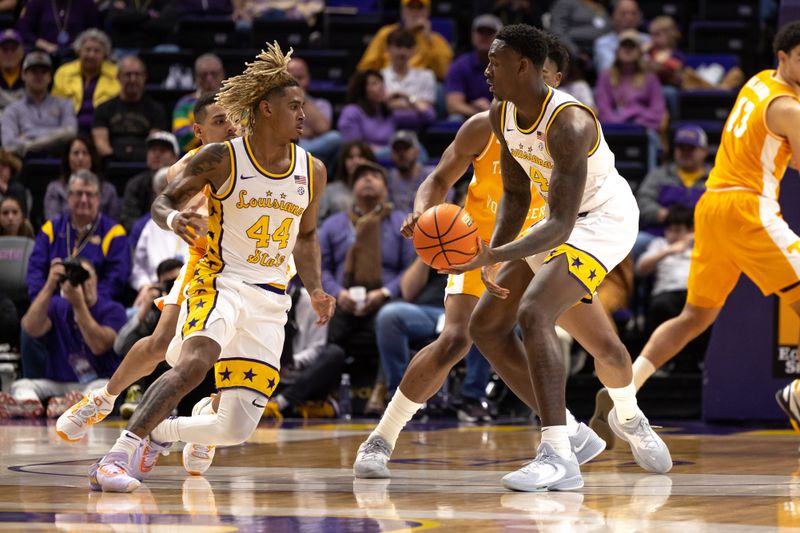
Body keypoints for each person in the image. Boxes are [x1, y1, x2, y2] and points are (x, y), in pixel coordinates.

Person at [353, 35, 614, 479]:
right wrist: (422, 214)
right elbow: (437, 179)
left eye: (551, 76)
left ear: (545, 77)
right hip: (477, 245)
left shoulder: (566, 127)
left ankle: (601, 422)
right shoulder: (484, 125)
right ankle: (381, 438)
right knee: (456, 338)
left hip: (543, 247)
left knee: (599, 343)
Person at [87, 43, 336, 493]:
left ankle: (164, 432)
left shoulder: (313, 170)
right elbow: (162, 200)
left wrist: (316, 288)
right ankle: (116, 456)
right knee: (196, 361)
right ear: (265, 109)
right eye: (294, 106)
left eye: (303, 106)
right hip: (219, 279)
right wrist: (173, 218)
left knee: (235, 428)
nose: (304, 114)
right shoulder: (222, 158)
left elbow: (307, 235)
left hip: (271, 299)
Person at [449, 24, 670, 491]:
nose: (485, 69)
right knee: (487, 327)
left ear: (523, 66)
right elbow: (514, 192)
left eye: (495, 61)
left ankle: (558, 456)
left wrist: (496, 251)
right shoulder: (501, 113)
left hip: (603, 220)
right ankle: (618, 419)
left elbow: (563, 226)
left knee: (534, 311)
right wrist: (493, 256)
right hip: (556, 220)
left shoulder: (571, 123)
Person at [585, 22, 800, 431]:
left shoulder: (759, 82)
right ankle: (798, 395)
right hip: (747, 208)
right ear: (784, 58)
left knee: (695, 316)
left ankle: (626, 391)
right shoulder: (789, 108)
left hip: (712, 204)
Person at [56, 92, 235, 442]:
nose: (230, 126)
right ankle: (103, 399)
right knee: (160, 343)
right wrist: (179, 217)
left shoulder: (255, 157)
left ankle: (206, 418)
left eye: (233, 118)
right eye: (219, 121)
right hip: (207, 262)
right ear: (199, 132)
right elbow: (175, 196)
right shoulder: (185, 167)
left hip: (252, 267)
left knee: (235, 352)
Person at [0, 258, 126, 418]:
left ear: (95, 279)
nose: (81, 283)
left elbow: (99, 345)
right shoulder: (57, 304)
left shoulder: (113, 309)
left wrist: (79, 305)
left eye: (85, 277)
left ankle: (78, 405)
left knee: (104, 388)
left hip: (95, 381)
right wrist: (50, 284)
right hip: (56, 382)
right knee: (22, 385)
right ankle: (28, 404)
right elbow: (30, 328)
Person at [28, 169, 130, 303]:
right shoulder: (50, 229)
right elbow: (35, 270)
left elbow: (116, 278)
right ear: (69, 197)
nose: (83, 199)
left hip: (96, 306)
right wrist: (43, 301)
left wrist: (89, 300)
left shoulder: (115, 232)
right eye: (78, 193)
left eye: (89, 194)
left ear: (98, 199)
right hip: (52, 304)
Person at [595, 29, 666, 171]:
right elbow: (603, 110)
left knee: (651, 137)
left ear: (639, 51)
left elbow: (658, 113)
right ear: (617, 50)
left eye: (631, 46)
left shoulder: (650, 78)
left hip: (642, 129)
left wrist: (633, 115)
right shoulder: (606, 76)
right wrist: (624, 119)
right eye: (624, 45)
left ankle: (648, 182)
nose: (627, 50)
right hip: (613, 129)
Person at [634, 124, 709, 256]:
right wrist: (664, 214)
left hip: (701, 236)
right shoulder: (659, 174)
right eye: (681, 148)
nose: (686, 152)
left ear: (704, 151)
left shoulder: (715, 178)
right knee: (637, 243)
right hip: (660, 235)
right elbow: (642, 201)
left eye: (691, 148)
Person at [92, 56, 168, 163]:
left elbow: (154, 144)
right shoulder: (103, 108)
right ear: (118, 77)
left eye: (137, 74)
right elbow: (100, 144)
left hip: (145, 164)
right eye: (128, 75)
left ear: (144, 77)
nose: (133, 79)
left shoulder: (156, 110)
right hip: (112, 165)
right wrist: (115, 160)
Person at [1, 51, 77, 157]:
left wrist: (30, 142)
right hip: (23, 166)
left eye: (43, 72)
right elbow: (8, 144)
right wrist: (55, 136)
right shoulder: (12, 109)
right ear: (23, 75)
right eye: (34, 71)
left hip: (58, 162)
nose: (39, 76)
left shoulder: (64, 104)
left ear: (50, 77)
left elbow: (70, 132)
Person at [357, 0, 452, 81]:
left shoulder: (436, 40)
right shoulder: (386, 33)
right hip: (388, 83)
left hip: (421, 87)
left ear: (427, 11)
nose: (415, 12)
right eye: (411, 7)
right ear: (402, 10)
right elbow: (365, 68)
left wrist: (429, 40)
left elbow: (444, 73)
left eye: (420, 8)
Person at [52, 29, 120, 132]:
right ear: (79, 51)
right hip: (68, 129)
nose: (91, 55)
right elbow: (55, 106)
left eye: (97, 51)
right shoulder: (63, 72)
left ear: (104, 54)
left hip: (105, 129)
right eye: (87, 50)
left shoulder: (116, 74)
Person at [44, 135, 119, 222]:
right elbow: (52, 223)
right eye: (76, 153)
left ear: (92, 157)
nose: (80, 157)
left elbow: (113, 225)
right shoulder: (55, 189)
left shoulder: (108, 190)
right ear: (67, 158)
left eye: (85, 153)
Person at [286, 57, 341, 171]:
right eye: (291, 78)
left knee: (335, 138)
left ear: (308, 79)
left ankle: (296, 157)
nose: (295, 82)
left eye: (300, 78)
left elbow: (323, 129)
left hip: (310, 150)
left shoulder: (321, 104)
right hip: (283, 147)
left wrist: (300, 98)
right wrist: (307, 132)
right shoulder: (275, 104)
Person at [445, 14, 502, 119]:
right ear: (472, 35)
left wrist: (491, 109)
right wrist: (477, 110)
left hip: (500, 116)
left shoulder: (508, 67)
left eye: (490, 32)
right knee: (455, 118)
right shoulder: (459, 65)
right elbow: (453, 106)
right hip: (470, 116)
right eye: (480, 31)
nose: (484, 36)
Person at [119, 131, 179, 232]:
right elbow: (129, 221)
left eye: (162, 150)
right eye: (153, 150)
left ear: (175, 157)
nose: (157, 154)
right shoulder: (135, 184)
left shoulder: (185, 183)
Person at [381, 28, 436, 131]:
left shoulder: (426, 76)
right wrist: (414, 104)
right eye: (398, 46)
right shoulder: (379, 76)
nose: (402, 52)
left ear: (414, 50)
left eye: (407, 47)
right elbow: (378, 110)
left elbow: (426, 111)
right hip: (385, 131)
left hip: (418, 131)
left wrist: (405, 98)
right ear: (388, 49)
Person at [337, 70, 398, 157]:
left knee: (417, 148)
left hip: (390, 159)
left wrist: (405, 98)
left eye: (381, 83)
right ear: (362, 89)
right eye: (374, 84)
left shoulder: (387, 112)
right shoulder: (351, 111)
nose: (381, 87)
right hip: (363, 159)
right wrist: (385, 150)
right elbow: (354, 147)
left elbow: (421, 116)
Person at [172, 54, 225, 153]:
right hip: (195, 158)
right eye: (204, 75)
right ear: (195, 77)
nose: (209, 79)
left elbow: (244, 130)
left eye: (214, 74)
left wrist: (201, 131)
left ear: (222, 74)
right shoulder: (184, 104)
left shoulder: (236, 101)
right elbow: (182, 139)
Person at [15, 0, 100, 55]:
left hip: (78, 54)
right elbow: (24, 29)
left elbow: (95, 31)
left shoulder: (87, 4)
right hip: (42, 52)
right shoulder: (37, 2)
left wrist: (80, 44)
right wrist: (43, 44)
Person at [320, 140, 376, 220]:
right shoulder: (329, 190)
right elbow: (318, 222)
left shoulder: (378, 190)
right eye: (350, 157)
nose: (356, 161)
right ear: (343, 162)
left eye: (361, 157)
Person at [386, 130, 436, 213]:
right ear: (392, 154)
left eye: (406, 148)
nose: (401, 153)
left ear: (417, 151)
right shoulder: (388, 178)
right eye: (397, 149)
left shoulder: (432, 175)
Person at [593, 0, 649, 73]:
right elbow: (608, 72)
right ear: (612, 17)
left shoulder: (649, 40)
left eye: (634, 13)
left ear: (639, 17)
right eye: (623, 13)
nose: (629, 18)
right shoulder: (602, 43)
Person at [0, 29, 25, 113]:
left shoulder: (31, 74)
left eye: (13, 49)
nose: (9, 54)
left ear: (22, 52)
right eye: (4, 49)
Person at [0, 148, 29, 216]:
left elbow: (23, 214)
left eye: (4, 167)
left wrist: (4, 188)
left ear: (11, 169)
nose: (0, 170)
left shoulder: (17, 188)